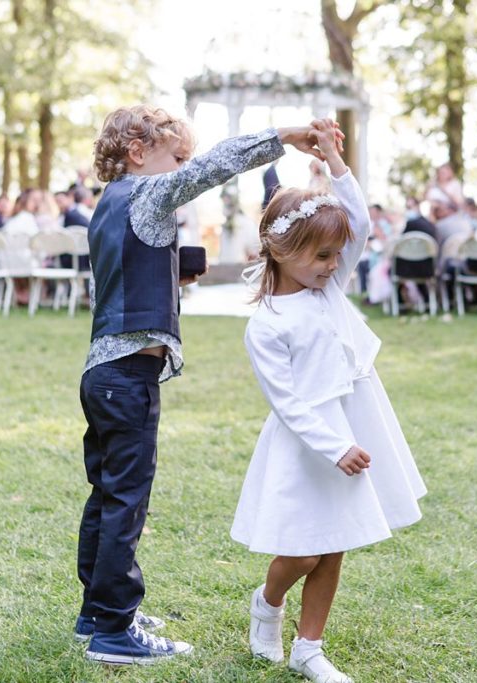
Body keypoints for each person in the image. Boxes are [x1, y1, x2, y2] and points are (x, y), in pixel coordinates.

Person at [76, 104, 326, 666]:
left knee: (106, 496)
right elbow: (214, 166)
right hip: (128, 376)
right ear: (138, 153)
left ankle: (96, 612)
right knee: (126, 502)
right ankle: (115, 632)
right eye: (177, 159)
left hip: (100, 373)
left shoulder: (107, 204)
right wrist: (283, 136)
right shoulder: (147, 192)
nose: (185, 171)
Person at [235, 120, 425, 683]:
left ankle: (309, 647)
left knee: (337, 541)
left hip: (352, 421)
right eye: (320, 255)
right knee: (303, 551)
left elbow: (359, 222)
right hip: (309, 442)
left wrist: (335, 164)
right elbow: (289, 404)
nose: (330, 265)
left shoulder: (330, 283)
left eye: (335, 256)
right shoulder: (267, 324)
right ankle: (268, 603)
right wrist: (334, 445)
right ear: (280, 248)